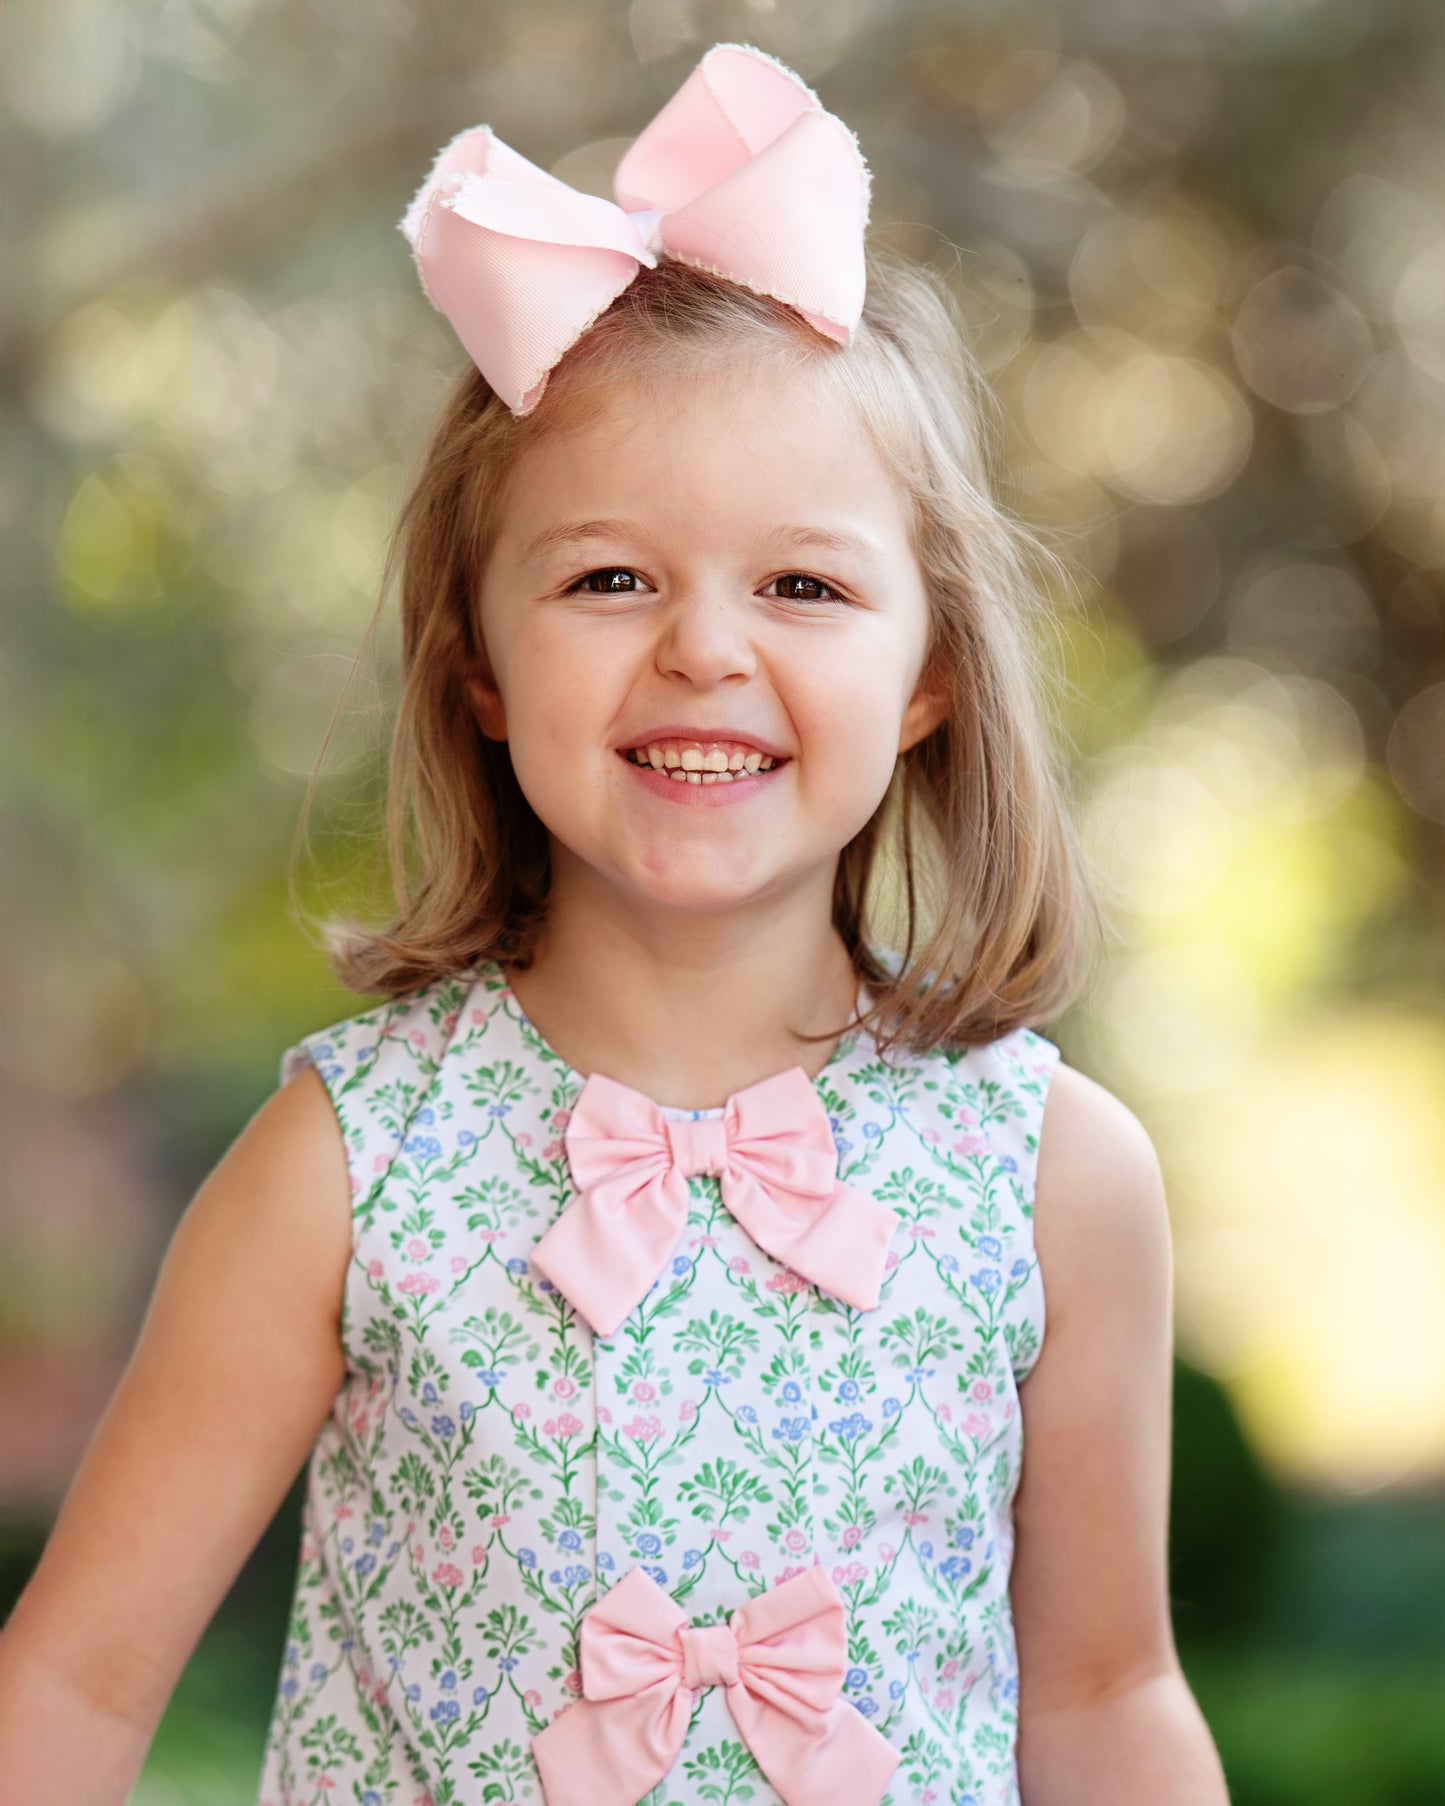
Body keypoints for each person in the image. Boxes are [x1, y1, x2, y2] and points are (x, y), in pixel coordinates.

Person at [0, 41, 1230, 1806]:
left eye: (801, 582)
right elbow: (71, 1684)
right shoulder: (344, 1167)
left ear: (930, 677)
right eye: (607, 578)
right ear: (480, 671)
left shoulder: (1054, 1175)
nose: (704, 649)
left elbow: (1107, 1700)